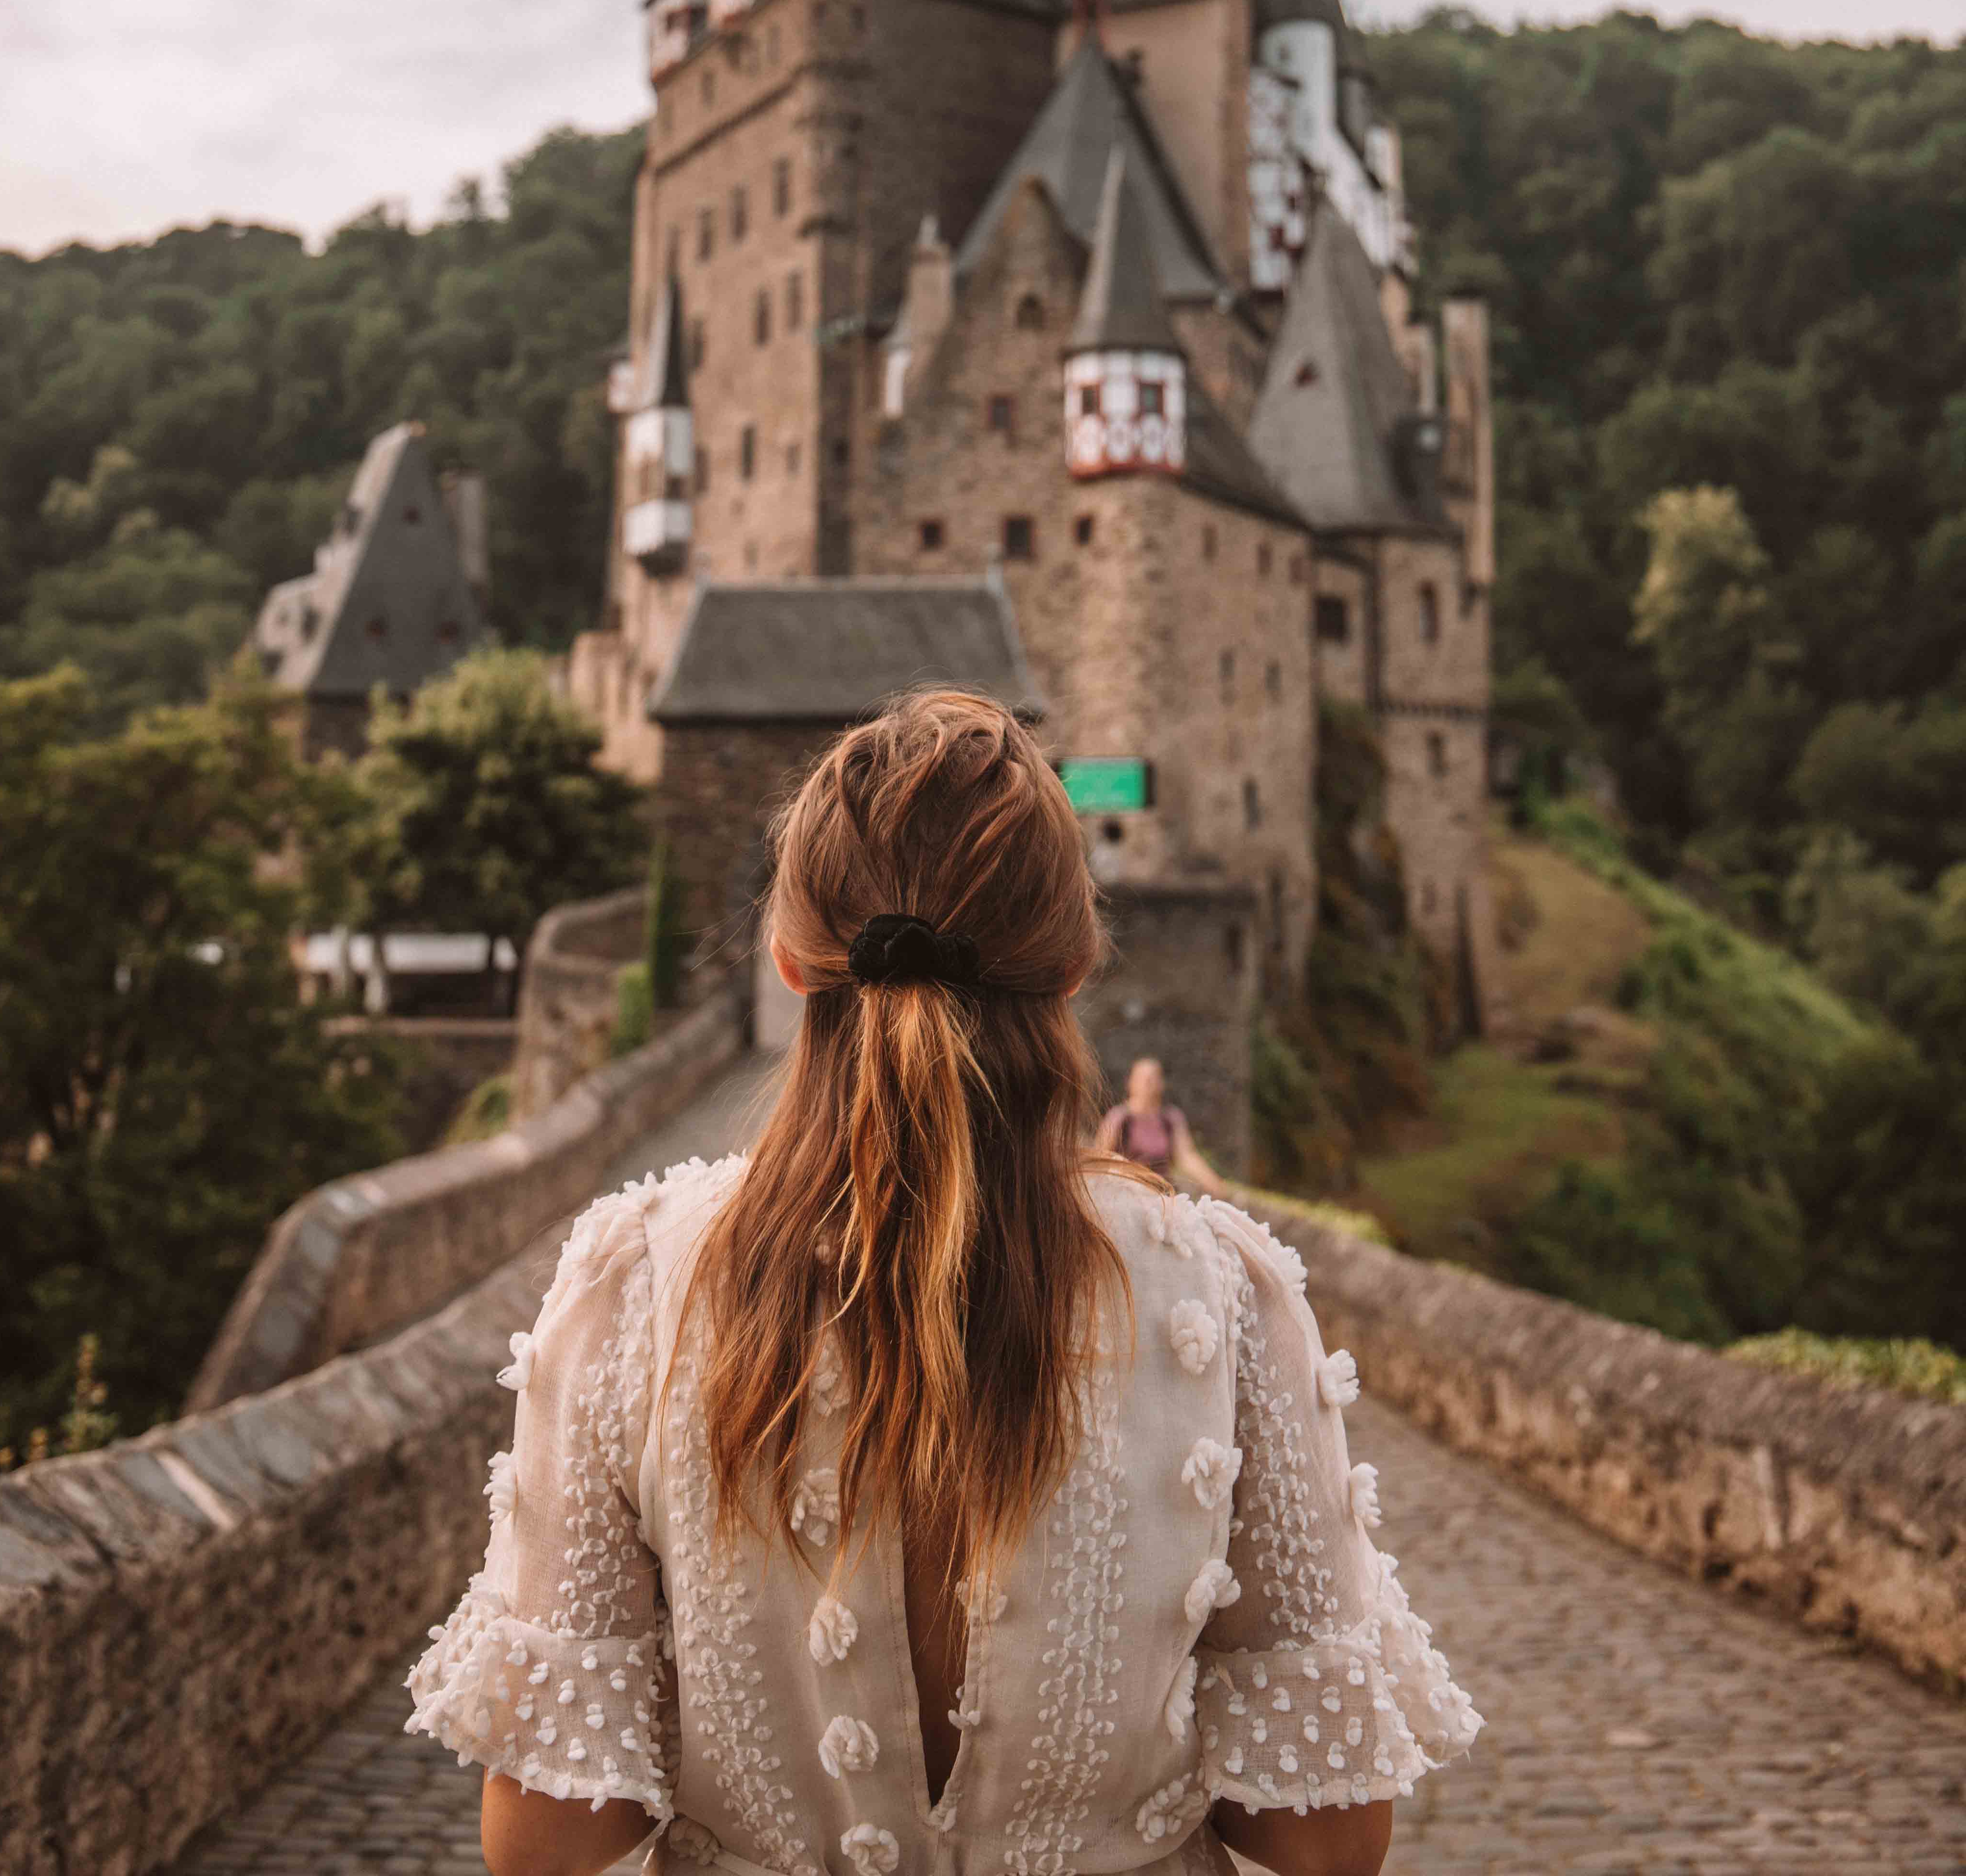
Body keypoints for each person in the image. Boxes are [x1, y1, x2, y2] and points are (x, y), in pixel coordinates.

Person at [408, 689, 1479, 1876]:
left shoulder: (632, 1283)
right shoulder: (1220, 1294)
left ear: (789, 962)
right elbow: (1323, 1836)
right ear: (1074, 963)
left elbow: (550, 1832)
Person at [1095, 1055, 1230, 1196]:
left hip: (1162, 1193)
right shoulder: (1119, 1117)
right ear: (1131, 1083)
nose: (1148, 1083)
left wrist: (1213, 1183)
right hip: (1127, 1193)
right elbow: (1100, 1158)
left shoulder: (1171, 1118)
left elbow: (1187, 1156)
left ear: (1161, 1084)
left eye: (1153, 1078)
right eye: (1143, 1078)